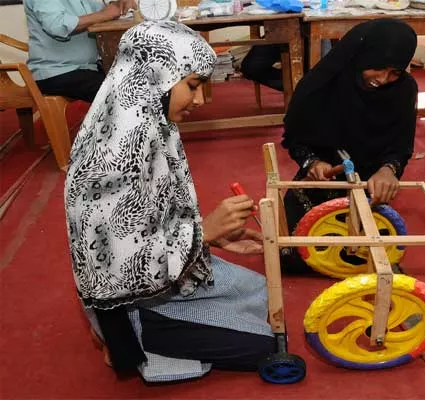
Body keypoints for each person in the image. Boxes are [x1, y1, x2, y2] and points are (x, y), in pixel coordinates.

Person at [64, 21, 274, 383]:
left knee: (262, 296)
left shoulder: (146, 118)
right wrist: (203, 233)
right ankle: (134, 340)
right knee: (264, 346)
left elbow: (154, 215)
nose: (199, 100)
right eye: (192, 86)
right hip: (131, 299)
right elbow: (122, 267)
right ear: (156, 74)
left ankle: (166, 330)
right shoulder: (113, 158)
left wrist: (210, 236)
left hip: (166, 266)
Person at [279, 19, 418, 272]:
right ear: (362, 56)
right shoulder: (322, 84)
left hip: (370, 181)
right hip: (324, 178)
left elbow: (401, 144)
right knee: (289, 250)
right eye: (378, 67)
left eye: (395, 72)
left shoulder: (404, 89)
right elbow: (295, 137)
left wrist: (389, 169)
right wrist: (312, 162)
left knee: (365, 250)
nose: (384, 79)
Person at [24, 0, 137, 102]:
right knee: (123, 92)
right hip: (57, 72)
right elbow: (57, 26)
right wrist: (105, 14)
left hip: (86, 68)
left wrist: (118, 5)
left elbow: (101, 12)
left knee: (134, 82)